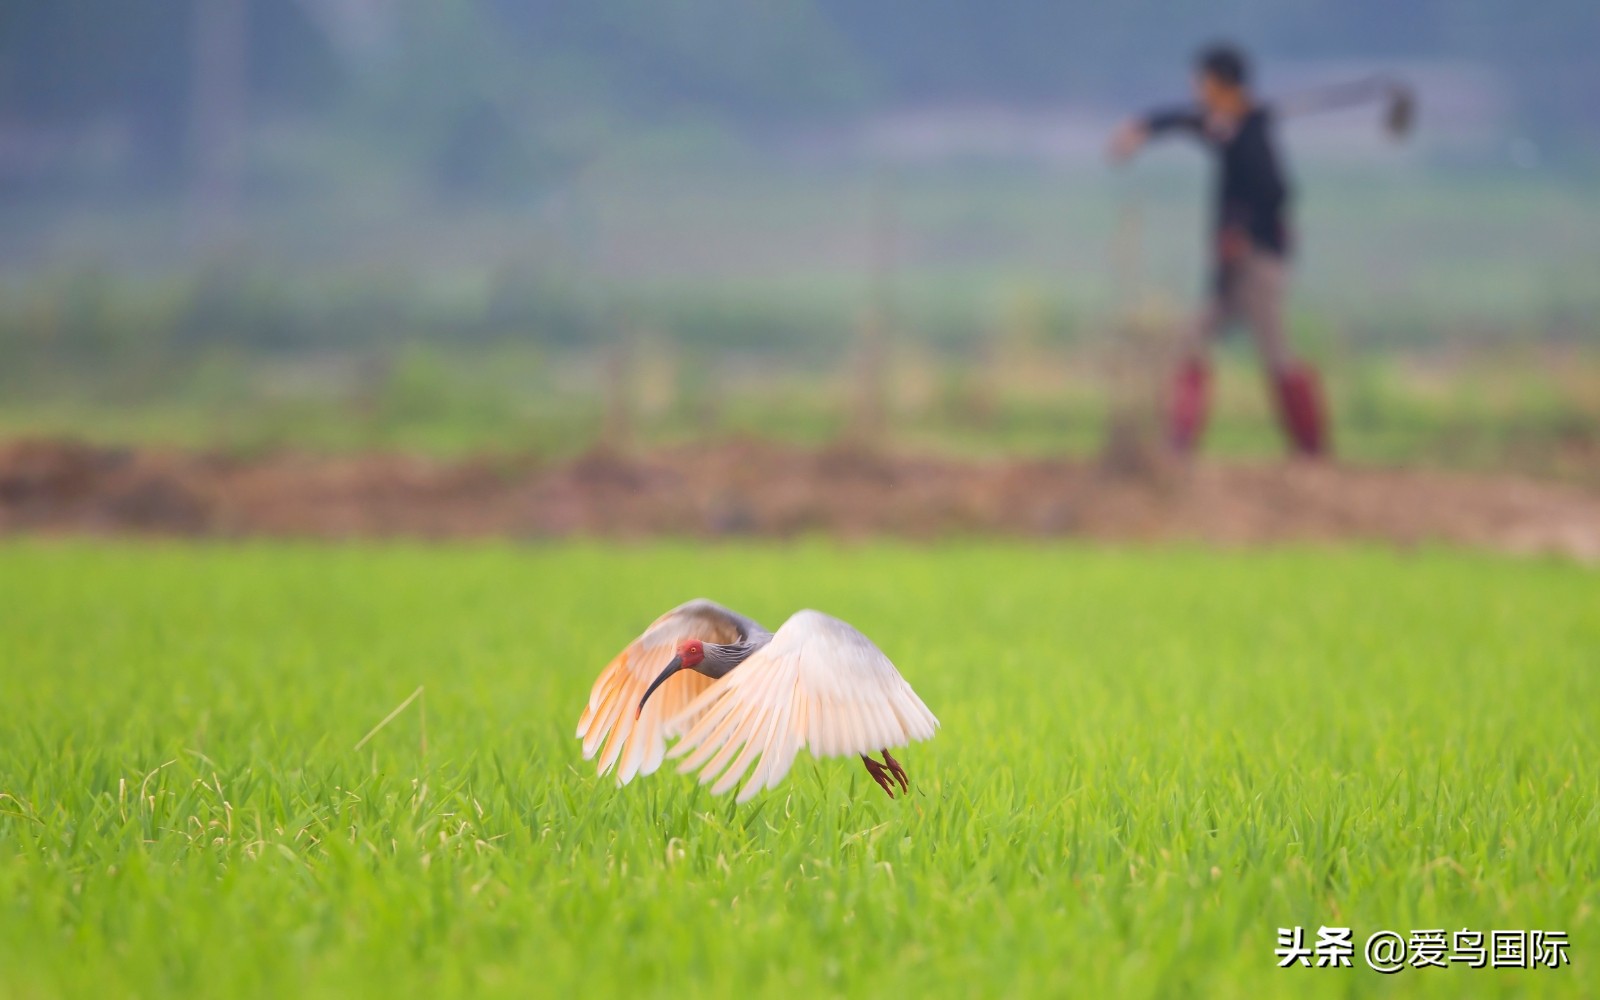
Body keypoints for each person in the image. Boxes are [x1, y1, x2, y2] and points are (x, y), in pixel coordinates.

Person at [1109, 42, 1326, 457]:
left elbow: (1275, 190)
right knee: (1194, 339)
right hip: (1233, 265)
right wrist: (1143, 128)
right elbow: (1185, 121)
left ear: (1221, 85)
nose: (1196, 89)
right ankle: (1180, 442)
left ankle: (1310, 448)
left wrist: (1243, 229)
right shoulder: (1229, 125)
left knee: (1276, 354)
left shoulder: (1252, 133)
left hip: (1257, 263)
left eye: (1201, 81)